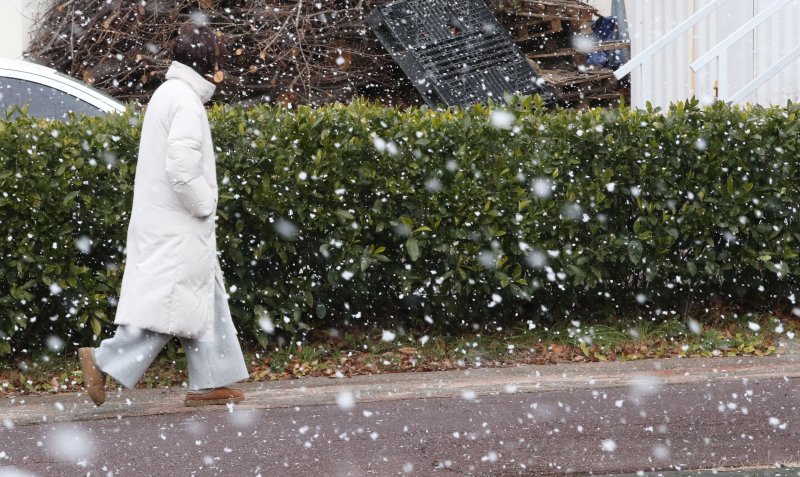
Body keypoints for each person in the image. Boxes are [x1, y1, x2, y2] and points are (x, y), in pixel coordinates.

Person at [78, 23, 249, 407]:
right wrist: (205, 204)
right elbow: (182, 169)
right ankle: (101, 359)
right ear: (207, 60)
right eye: (218, 57)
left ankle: (211, 380)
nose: (221, 65)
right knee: (168, 310)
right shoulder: (185, 101)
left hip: (165, 222)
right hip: (178, 225)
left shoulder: (170, 94)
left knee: (202, 298)